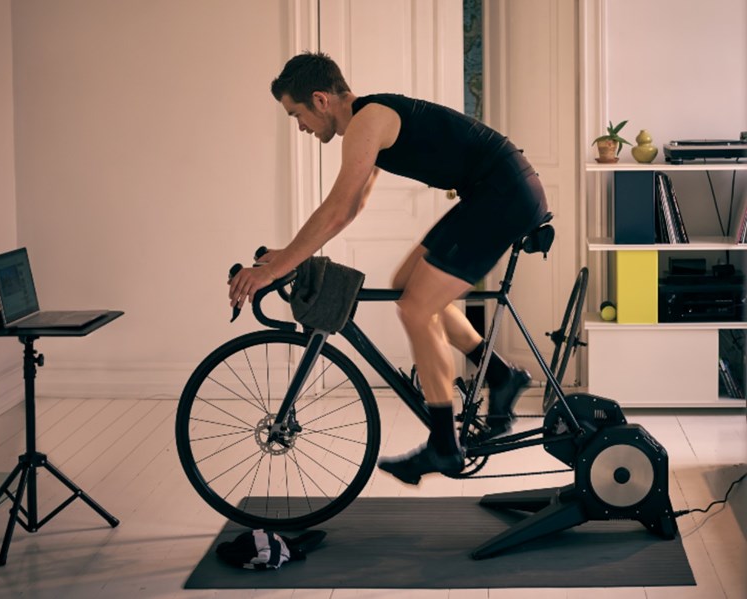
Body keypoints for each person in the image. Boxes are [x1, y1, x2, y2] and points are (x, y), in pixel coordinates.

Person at [228, 52, 548, 486]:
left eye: (297, 114)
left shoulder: (367, 121)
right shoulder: (369, 120)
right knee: (405, 287)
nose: (300, 127)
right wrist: (289, 252)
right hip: (493, 190)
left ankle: (444, 447)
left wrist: (275, 269)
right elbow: (353, 204)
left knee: (416, 309)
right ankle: (500, 375)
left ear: (320, 100)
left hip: (502, 194)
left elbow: (337, 210)